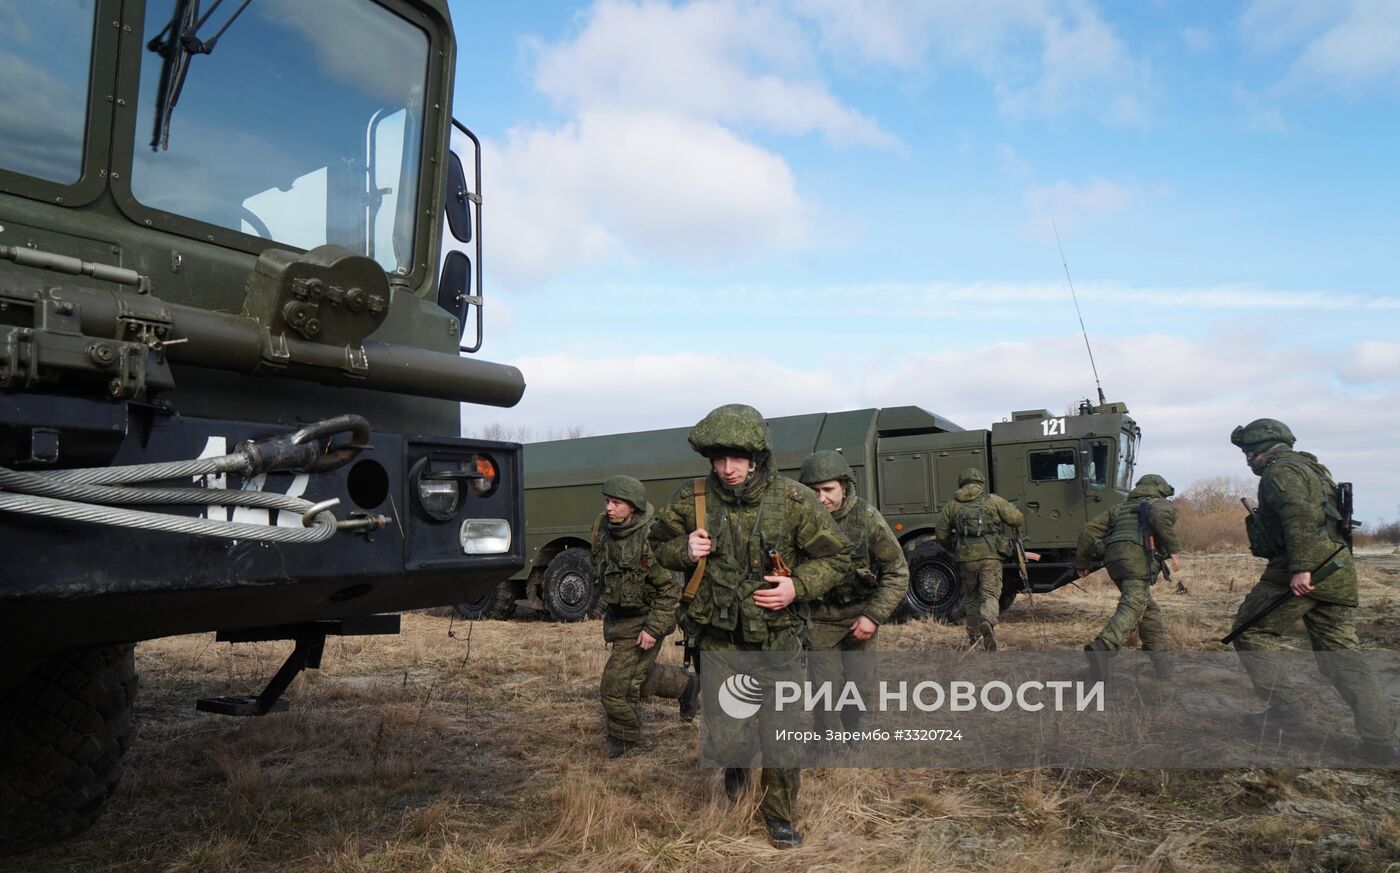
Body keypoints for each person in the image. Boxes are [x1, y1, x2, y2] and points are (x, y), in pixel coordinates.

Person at [650, 404, 851, 849]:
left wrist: (797, 587)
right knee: (729, 730)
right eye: (719, 460)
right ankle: (736, 781)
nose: (727, 469)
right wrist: (683, 549)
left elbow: (838, 557)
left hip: (777, 641)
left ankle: (779, 816)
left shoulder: (794, 500)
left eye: (736, 459)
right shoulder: (695, 498)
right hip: (720, 642)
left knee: (781, 736)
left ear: (757, 457)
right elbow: (656, 546)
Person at [1228, 418, 1397, 762]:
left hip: (1305, 568)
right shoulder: (1313, 469)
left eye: (1248, 451)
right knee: (1343, 658)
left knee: (1251, 632)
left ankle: (1286, 712)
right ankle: (1378, 742)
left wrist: (1300, 567)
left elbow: (1298, 516)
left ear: (1261, 449)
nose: (1246, 459)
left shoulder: (1281, 472)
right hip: (1336, 568)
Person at [797, 450, 908, 740]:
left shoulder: (866, 517)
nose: (821, 498)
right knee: (824, 688)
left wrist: (873, 616)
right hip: (818, 619)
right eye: (814, 490)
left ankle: (853, 725)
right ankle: (829, 742)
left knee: (861, 686)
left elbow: (897, 571)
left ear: (844, 486)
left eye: (829, 490)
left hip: (860, 615)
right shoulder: (797, 520)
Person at [594, 475, 697, 759]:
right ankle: (687, 686)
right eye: (607, 501)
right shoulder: (604, 528)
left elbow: (669, 593)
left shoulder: (651, 539)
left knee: (615, 687)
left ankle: (624, 740)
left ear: (634, 506)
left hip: (646, 619)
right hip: (619, 619)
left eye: (617, 503)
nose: (609, 508)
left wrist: (652, 629)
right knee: (636, 678)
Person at [1074, 474, 1181, 677]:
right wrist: (1174, 550)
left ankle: (1163, 664)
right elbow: (1160, 518)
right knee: (1133, 605)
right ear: (1160, 489)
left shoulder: (1118, 509)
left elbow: (1088, 531)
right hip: (1137, 560)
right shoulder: (1158, 504)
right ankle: (1104, 646)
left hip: (1114, 562)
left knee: (1147, 610)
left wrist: (1083, 563)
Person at [936, 467, 1024, 650]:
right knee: (990, 594)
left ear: (962, 483)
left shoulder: (952, 505)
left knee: (971, 596)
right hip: (991, 555)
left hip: (966, 558)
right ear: (981, 483)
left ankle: (974, 637)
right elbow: (1016, 519)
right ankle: (987, 621)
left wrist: (955, 548)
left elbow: (941, 533)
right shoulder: (992, 500)